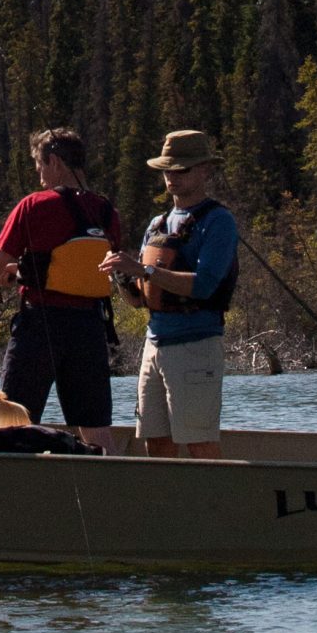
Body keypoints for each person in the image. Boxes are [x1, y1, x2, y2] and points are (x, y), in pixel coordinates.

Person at [0, 128, 121, 453]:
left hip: (40, 329)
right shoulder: (107, 213)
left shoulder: (34, 206)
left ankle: (9, 493)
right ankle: (106, 491)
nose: (39, 177)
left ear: (54, 162)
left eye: (39, 167)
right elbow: (71, 264)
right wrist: (23, 271)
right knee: (96, 427)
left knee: (12, 418)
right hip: (91, 330)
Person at [104, 130, 237, 460]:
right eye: (167, 170)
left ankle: (216, 509)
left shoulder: (218, 221)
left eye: (182, 170)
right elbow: (139, 300)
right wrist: (123, 278)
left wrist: (144, 270)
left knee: (199, 443)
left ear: (205, 170)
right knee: (156, 444)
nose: (172, 177)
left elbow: (204, 285)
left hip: (196, 347)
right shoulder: (157, 224)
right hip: (154, 346)